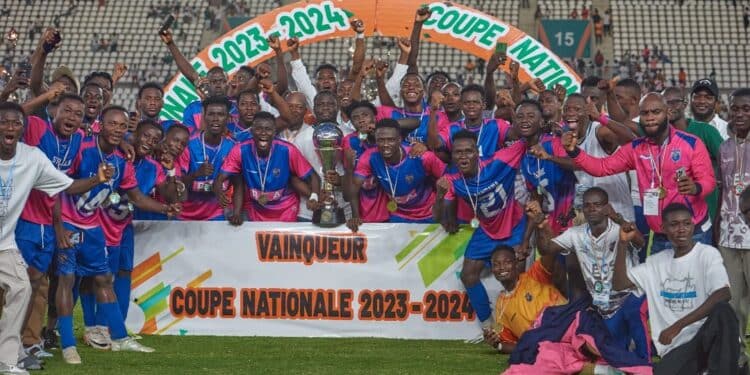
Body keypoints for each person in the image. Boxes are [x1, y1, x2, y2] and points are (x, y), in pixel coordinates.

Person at [0, 101, 122, 375]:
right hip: (21, 232)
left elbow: (67, 185)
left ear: (23, 128)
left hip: (4, 244)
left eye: (15, 123)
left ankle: (7, 360)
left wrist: (97, 180)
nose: (10, 127)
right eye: (4, 122)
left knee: (23, 289)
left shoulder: (32, 157)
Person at [55, 106, 179, 363]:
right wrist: (58, 227)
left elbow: (137, 197)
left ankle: (120, 338)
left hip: (93, 228)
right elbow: (60, 185)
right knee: (67, 281)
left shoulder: (122, 161)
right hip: (69, 224)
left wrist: (165, 208)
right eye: (112, 124)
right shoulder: (82, 148)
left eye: (122, 126)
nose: (117, 130)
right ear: (101, 124)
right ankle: (67, 344)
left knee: (104, 281)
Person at [563, 93, 715, 254]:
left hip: (694, 232)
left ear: (667, 113)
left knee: (695, 279)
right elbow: (601, 168)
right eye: (645, 113)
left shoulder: (690, 143)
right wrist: (574, 151)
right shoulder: (636, 148)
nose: (650, 117)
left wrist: (696, 187)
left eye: (656, 112)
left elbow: (709, 181)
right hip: (661, 235)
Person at [613, 203, 739, 374]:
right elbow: (619, 284)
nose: (682, 229)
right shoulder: (655, 263)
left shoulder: (707, 254)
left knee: (723, 311)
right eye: (674, 225)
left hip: (704, 336)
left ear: (693, 225)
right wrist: (622, 244)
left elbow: (724, 293)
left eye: (686, 224)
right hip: (676, 349)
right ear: (663, 228)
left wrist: (678, 325)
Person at [535, 187, 651, 360]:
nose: (591, 209)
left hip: (628, 297)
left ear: (607, 207)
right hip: (604, 306)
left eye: (597, 205)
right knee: (614, 354)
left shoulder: (619, 228)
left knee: (633, 314)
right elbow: (545, 249)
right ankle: (636, 346)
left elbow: (640, 242)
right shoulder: (576, 234)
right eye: (587, 205)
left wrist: (618, 218)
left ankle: (645, 362)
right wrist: (540, 226)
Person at [437, 127, 528, 330]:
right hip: (486, 230)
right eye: (458, 152)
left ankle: (522, 325)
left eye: (468, 151)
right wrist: (440, 194)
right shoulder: (452, 180)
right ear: (452, 156)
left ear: (476, 152)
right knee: (468, 275)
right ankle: (489, 326)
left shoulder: (499, 160)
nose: (463, 156)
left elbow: (525, 142)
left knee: (518, 278)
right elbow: (446, 220)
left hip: (514, 224)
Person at [216, 111, 321, 223]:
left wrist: (314, 197)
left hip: (285, 210)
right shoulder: (240, 150)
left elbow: (313, 177)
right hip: (255, 210)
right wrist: (219, 192)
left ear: (275, 132)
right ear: (251, 131)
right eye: (259, 129)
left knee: (281, 240)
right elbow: (220, 178)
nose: (263, 133)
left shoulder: (288, 150)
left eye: (268, 129)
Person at [348, 118, 445, 231]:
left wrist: (445, 210)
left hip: (429, 212)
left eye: (391, 140)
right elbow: (354, 187)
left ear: (400, 140)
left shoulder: (422, 157)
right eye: (381, 140)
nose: (385, 145)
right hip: (398, 215)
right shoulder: (369, 157)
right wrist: (355, 216)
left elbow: (447, 180)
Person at [482, 244, 565, 354]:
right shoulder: (501, 305)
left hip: (567, 332)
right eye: (496, 264)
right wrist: (497, 344)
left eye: (507, 262)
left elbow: (549, 250)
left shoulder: (535, 275)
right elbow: (516, 345)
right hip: (546, 351)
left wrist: (541, 226)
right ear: (492, 269)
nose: (502, 267)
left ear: (516, 263)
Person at [717, 88, 750, 362]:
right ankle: (738, 356)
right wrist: (718, 228)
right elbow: (723, 191)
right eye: (736, 108)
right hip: (728, 238)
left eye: (746, 109)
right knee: (733, 303)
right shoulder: (724, 147)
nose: (740, 114)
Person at [663, 87, 723, 221]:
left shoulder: (705, 130)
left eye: (674, 102)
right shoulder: (660, 136)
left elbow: (728, 160)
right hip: (676, 209)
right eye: (665, 103)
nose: (669, 107)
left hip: (707, 204)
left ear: (685, 104)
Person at [177, 96, 237, 221]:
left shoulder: (233, 147)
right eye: (211, 114)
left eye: (221, 114)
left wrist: (235, 211)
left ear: (227, 118)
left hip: (216, 213)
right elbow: (178, 185)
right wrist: (196, 174)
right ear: (204, 116)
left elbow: (237, 183)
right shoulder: (188, 145)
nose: (215, 119)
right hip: (185, 214)